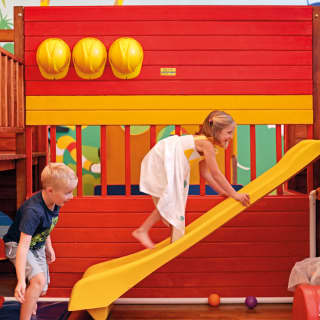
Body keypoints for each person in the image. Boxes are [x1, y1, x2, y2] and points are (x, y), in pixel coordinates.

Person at [132, 110, 250, 249]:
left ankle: (158, 231)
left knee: (171, 201)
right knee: (172, 200)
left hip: (165, 157)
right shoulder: (206, 144)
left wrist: (221, 192)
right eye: (229, 133)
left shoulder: (206, 144)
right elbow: (216, 173)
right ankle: (143, 230)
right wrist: (234, 194)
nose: (231, 137)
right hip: (165, 157)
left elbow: (205, 174)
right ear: (217, 131)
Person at [3, 162, 78, 320]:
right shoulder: (33, 211)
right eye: (68, 193)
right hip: (16, 246)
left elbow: (45, 225)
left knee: (41, 288)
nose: (71, 197)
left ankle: (31, 303)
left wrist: (48, 246)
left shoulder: (54, 201)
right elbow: (22, 247)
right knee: (37, 280)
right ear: (50, 191)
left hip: (37, 245)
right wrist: (21, 281)